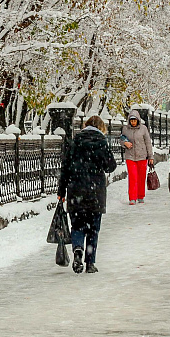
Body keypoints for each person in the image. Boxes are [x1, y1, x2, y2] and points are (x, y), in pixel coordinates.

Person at [57, 116, 117, 274]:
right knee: (93, 228)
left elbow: (65, 169)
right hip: (95, 192)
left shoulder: (74, 142)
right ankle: (90, 263)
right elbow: (110, 166)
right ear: (101, 127)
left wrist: (61, 192)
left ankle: (77, 250)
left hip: (75, 190)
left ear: (85, 126)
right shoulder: (102, 142)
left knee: (77, 225)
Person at [120, 110, 154, 205]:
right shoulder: (125, 129)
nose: (133, 122)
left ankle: (140, 195)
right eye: (131, 120)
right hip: (130, 156)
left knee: (141, 177)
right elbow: (121, 139)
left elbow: (148, 143)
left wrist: (150, 156)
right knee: (133, 176)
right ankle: (132, 197)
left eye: (135, 120)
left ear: (138, 120)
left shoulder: (143, 129)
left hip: (142, 156)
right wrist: (125, 143)